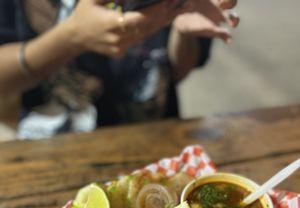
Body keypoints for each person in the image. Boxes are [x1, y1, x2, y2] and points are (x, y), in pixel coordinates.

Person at [0, 0, 238, 139]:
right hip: (53, 145)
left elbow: (175, 72)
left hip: (154, 142)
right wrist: (69, 38)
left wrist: (183, 34)